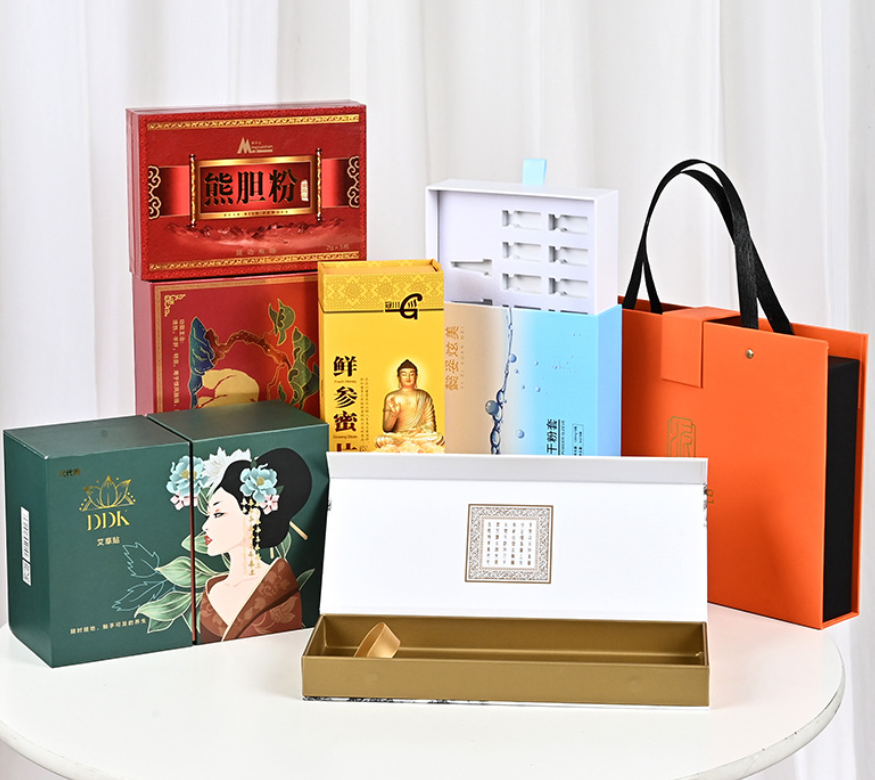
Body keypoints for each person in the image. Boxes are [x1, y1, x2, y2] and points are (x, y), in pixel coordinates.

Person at [198, 448, 312, 642]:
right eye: (208, 515)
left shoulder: (278, 584)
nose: (205, 526)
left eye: (218, 514)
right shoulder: (213, 589)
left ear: (252, 516)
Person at [376, 359, 444, 452]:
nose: (408, 377)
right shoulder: (391, 397)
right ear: (398, 377)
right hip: (398, 436)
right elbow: (387, 429)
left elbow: (431, 425)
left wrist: (418, 429)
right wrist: (394, 414)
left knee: (438, 437)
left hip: (419, 436)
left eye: (411, 374)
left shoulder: (424, 396)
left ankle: (411, 443)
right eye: (404, 374)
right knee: (382, 439)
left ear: (416, 376)